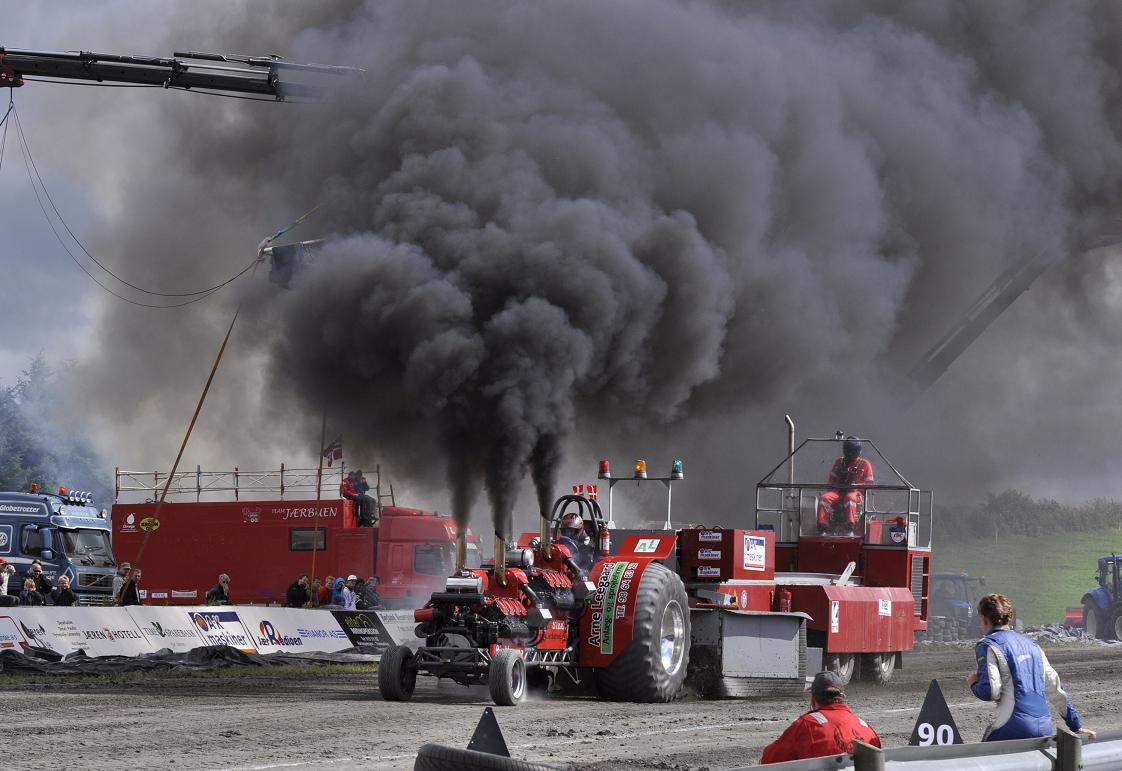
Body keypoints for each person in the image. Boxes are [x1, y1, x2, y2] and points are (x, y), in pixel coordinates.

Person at [968, 593, 1096, 742]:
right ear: (1009, 617)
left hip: (1012, 725)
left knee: (981, 755)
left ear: (984, 618)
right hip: (1044, 727)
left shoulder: (988, 645)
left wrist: (973, 683)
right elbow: (1056, 690)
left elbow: (990, 691)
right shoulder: (1034, 646)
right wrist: (1076, 726)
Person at [760, 671, 881, 764]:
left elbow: (769, 760)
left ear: (813, 699)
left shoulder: (806, 724)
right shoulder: (865, 727)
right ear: (843, 697)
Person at [817, 436, 875, 536]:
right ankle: (823, 527)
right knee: (824, 498)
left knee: (850, 498)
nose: (849, 453)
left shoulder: (865, 464)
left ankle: (849, 527)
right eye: (847, 450)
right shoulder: (839, 462)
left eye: (851, 451)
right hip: (838, 492)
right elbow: (831, 481)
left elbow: (869, 485)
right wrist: (834, 487)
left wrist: (856, 485)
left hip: (855, 492)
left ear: (857, 451)